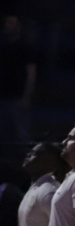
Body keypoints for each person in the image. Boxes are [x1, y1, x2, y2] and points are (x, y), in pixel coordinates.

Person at [0, 14, 37, 155]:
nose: (9, 26)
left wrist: (26, 96)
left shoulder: (25, 47)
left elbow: (31, 73)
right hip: (2, 94)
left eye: (12, 23)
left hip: (17, 95)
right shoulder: (2, 47)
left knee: (20, 133)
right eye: (7, 23)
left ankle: (24, 160)